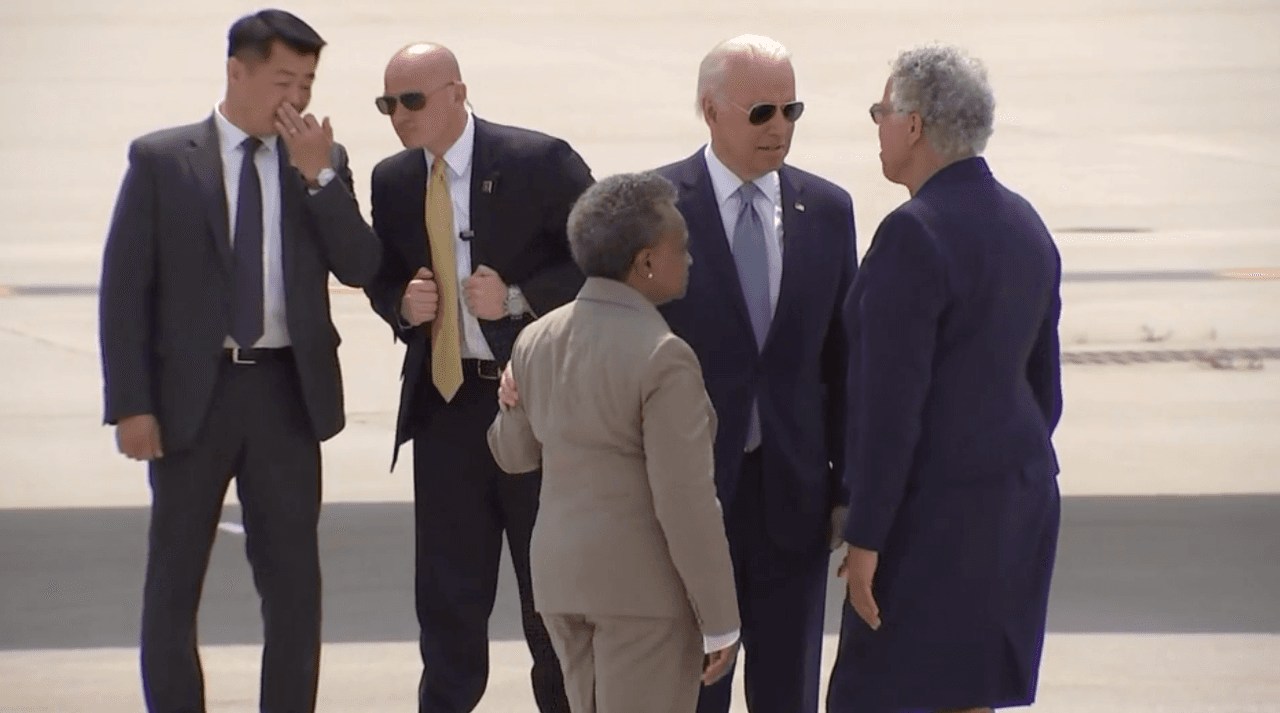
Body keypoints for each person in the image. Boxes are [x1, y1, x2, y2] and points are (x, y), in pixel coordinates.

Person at [98, 9, 381, 712]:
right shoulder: (163, 160)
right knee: (173, 584)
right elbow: (125, 291)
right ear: (237, 70)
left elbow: (361, 264)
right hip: (192, 397)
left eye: (309, 81)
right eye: (284, 78)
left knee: (294, 589)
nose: (298, 98)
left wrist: (320, 180)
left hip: (287, 395)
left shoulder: (321, 160)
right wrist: (131, 404)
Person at [828, 45, 1064, 713]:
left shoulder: (913, 235)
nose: (876, 124)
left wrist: (867, 535)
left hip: (933, 520)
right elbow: (1044, 389)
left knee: (880, 693)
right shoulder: (1025, 222)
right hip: (1016, 500)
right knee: (968, 694)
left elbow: (888, 408)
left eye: (880, 111)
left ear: (913, 125)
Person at [363, 43, 593, 713]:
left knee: (549, 598)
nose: (399, 116)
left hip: (533, 406)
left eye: (412, 100)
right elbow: (382, 274)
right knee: (446, 600)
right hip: (445, 407)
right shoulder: (393, 180)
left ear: (457, 93)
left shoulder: (538, 161)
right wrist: (401, 305)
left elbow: (604, 255)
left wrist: (519, 297)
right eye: (388, 104)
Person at [653, 35, 858, 713]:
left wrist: (846, 485)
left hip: (793, 494)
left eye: (791, 111)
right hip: (690, 496)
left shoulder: (828, 210)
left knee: (789, 690)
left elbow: (842, 360)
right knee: (694, 689)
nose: (780, 128)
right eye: (762, 112)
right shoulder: (654, 207)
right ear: (710, 110)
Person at [486, 172, 741, 713]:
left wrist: (510, 402)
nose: (690, 259)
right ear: (646, 262)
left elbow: (513, 455)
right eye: (681, 248)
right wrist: (720, 617)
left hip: (560, 585)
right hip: (643, 595)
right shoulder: (662, 355)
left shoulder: (536, 339)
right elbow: (686, 499)